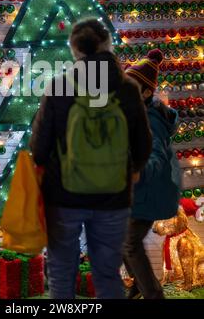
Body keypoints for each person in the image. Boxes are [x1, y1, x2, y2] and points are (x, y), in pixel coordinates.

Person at [30, 18, 152, 299]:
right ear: (107, 44)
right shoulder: (128, 89)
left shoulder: (59, 87)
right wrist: (133, 169)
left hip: (63, 198)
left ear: (75, 50)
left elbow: (39, 147)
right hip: (114, 198)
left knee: (61, 274)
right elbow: (143, 144)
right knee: (107, 275)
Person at [123, 49, 181, 300]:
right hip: (136, 191)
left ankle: (153, 294)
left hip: (150, 191)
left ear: (146, 93)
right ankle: (139, 284)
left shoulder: (151, 120)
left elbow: (155, 155)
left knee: (129, 243)